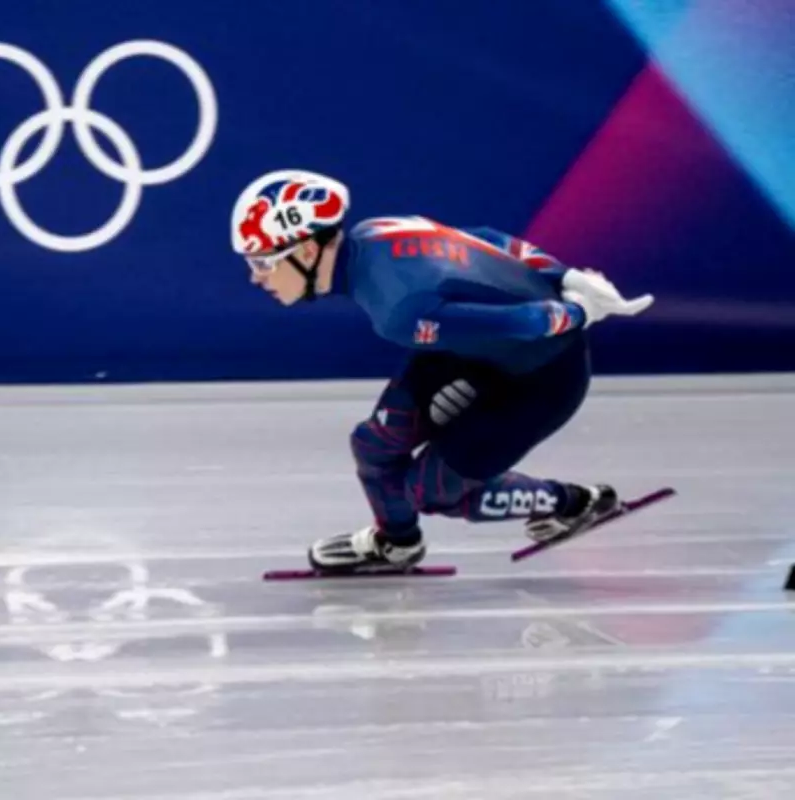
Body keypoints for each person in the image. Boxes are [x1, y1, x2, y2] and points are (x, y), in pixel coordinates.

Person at [231, 169, 654, 574]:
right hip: (479, 350)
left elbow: (524, 323)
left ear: (307, 251)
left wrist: (580, 310)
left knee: (435, 493)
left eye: (263, 263)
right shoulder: (378, 230)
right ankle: (396, 544)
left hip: (543, 377)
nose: (254, 278)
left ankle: (573, 502)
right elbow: (489, 238)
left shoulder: (396, 311)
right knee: (375, 445)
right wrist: (564, 274)